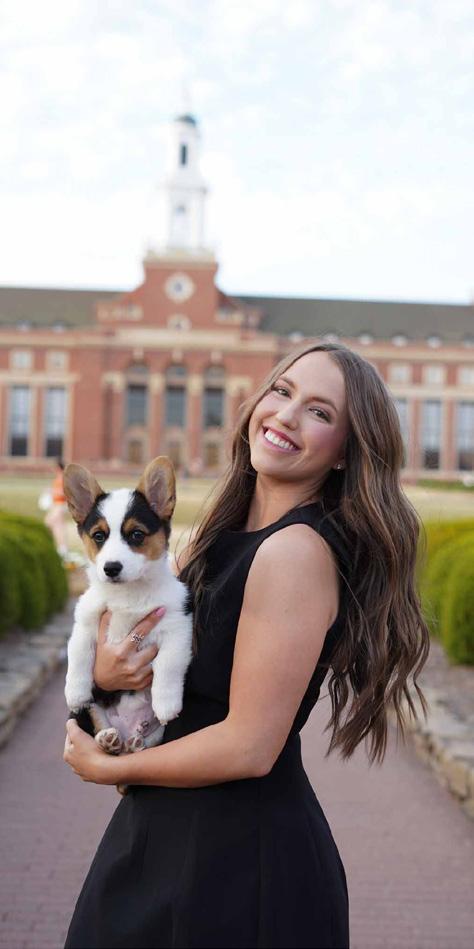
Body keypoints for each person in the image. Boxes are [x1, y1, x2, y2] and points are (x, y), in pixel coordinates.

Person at [63, 342, 430, 949]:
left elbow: (251, 746)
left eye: (319, 412)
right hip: (167, 831)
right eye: (282, 391)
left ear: (346, 452)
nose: (285, 415)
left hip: (235, 860)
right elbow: (130, 645)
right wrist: (104, 672)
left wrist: (112, 768)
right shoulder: (214, 537)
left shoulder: (293, 553)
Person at [44, 458, 69, 557]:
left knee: (57, 526)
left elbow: (65, 492)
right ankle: (55, 545)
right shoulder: (58, 478)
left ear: (58, 467)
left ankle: (62, 548)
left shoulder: (63, 478)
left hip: (60, 505)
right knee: (51, 525)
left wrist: (52, 492)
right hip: (55, 505)